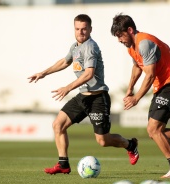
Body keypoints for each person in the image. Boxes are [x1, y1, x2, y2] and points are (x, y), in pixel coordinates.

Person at [28, 14, 139, 175]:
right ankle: (63, 164)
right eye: (78, 29)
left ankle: (130, 145)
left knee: (103, 140)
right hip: (82, 97)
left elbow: (89, 74)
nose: (81, 32)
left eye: (84, 29)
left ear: (90, 29)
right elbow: (65, 61)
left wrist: (67, 88)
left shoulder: (90, 47)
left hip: (97, 98)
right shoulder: (75, 47)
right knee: (58, 125)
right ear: (74, 29)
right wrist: (43, 73)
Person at [110, 13, 170, 178]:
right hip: (162, 87)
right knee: (154, 131)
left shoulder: (145, 43)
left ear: (130, 30)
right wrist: (130, 89)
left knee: (154, 130)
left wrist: (136, 98)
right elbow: (138, 67)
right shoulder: (131, 47)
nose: (119, 40)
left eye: (120, 35)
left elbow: (150, 75)